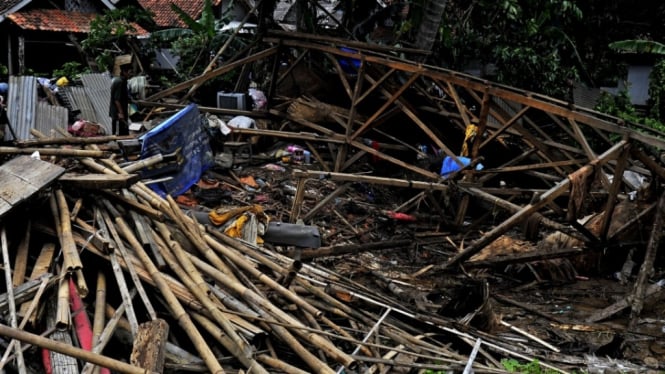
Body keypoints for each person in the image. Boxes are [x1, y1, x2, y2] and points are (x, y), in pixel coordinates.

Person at [109, 64, 132, 136]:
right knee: (119, 134)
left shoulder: (123, 81)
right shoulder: (120, 82)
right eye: (130, 72)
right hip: (118, 112)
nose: (131, 74)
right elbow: (116, 99)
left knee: (124, 132)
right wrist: (121, 113)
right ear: (125, 72)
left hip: (121, 111)